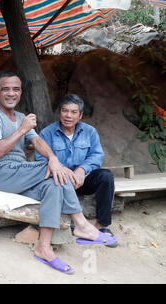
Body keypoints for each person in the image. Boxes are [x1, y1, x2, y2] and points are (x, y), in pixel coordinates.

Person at [0, 72, 117, 274]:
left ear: (21, 92)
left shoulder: (22, 117)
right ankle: (81, 224)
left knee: (54, 184)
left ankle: (43, 247)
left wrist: (52, 157)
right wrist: (21, 131)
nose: (11, 93)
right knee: (58, 171)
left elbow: (38, 143)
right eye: (5, 88)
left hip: (18, 173)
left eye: (16, 89)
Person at [35, 94, 117, 243]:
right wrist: (63, 170)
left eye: (73, 112)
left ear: (80, 116)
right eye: (65, 111)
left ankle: (101, 225)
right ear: (59, 113)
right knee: (52, 178)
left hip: (81, 181)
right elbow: (41, 160)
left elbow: (97, 155)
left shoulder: (90, 132)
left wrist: (82, 170)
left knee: (106, 176)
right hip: (59, 181)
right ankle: (75, 224)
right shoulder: (47, 133)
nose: (68, 116)